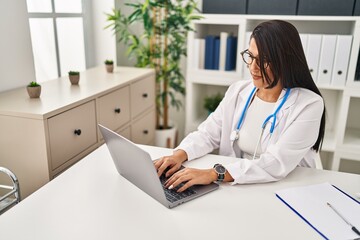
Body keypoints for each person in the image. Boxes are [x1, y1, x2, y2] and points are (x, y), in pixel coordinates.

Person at [154, 20, 326, 192]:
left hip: (287, 188)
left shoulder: (309, 104)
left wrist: (214, 174)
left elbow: (276, 163)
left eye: (264, 60)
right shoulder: (238, 91)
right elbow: (208, 133)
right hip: (241, 184)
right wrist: (178, 155)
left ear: (285, 61)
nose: (253, 67)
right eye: (250, 56)